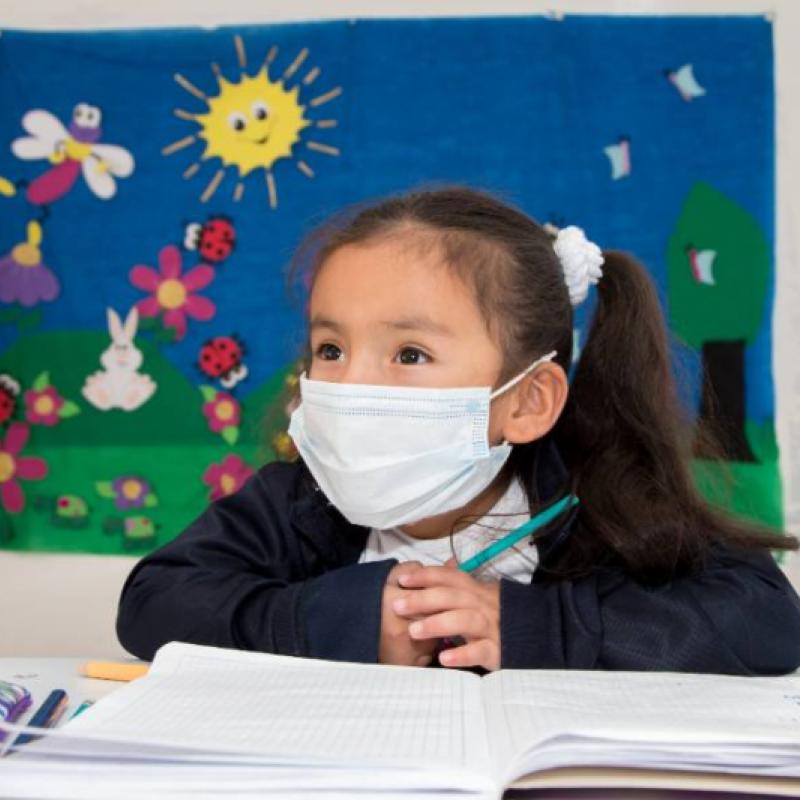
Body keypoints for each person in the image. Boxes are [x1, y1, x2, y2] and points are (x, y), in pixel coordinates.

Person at [116, 186, 800, 674]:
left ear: (527, 401)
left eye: (409, 354)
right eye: (330, 349)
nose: (349, 385)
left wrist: (535, 628)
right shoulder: (296, 504)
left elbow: (765, 620)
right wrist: (339, 623)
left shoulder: (608, 500)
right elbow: (154, 603)